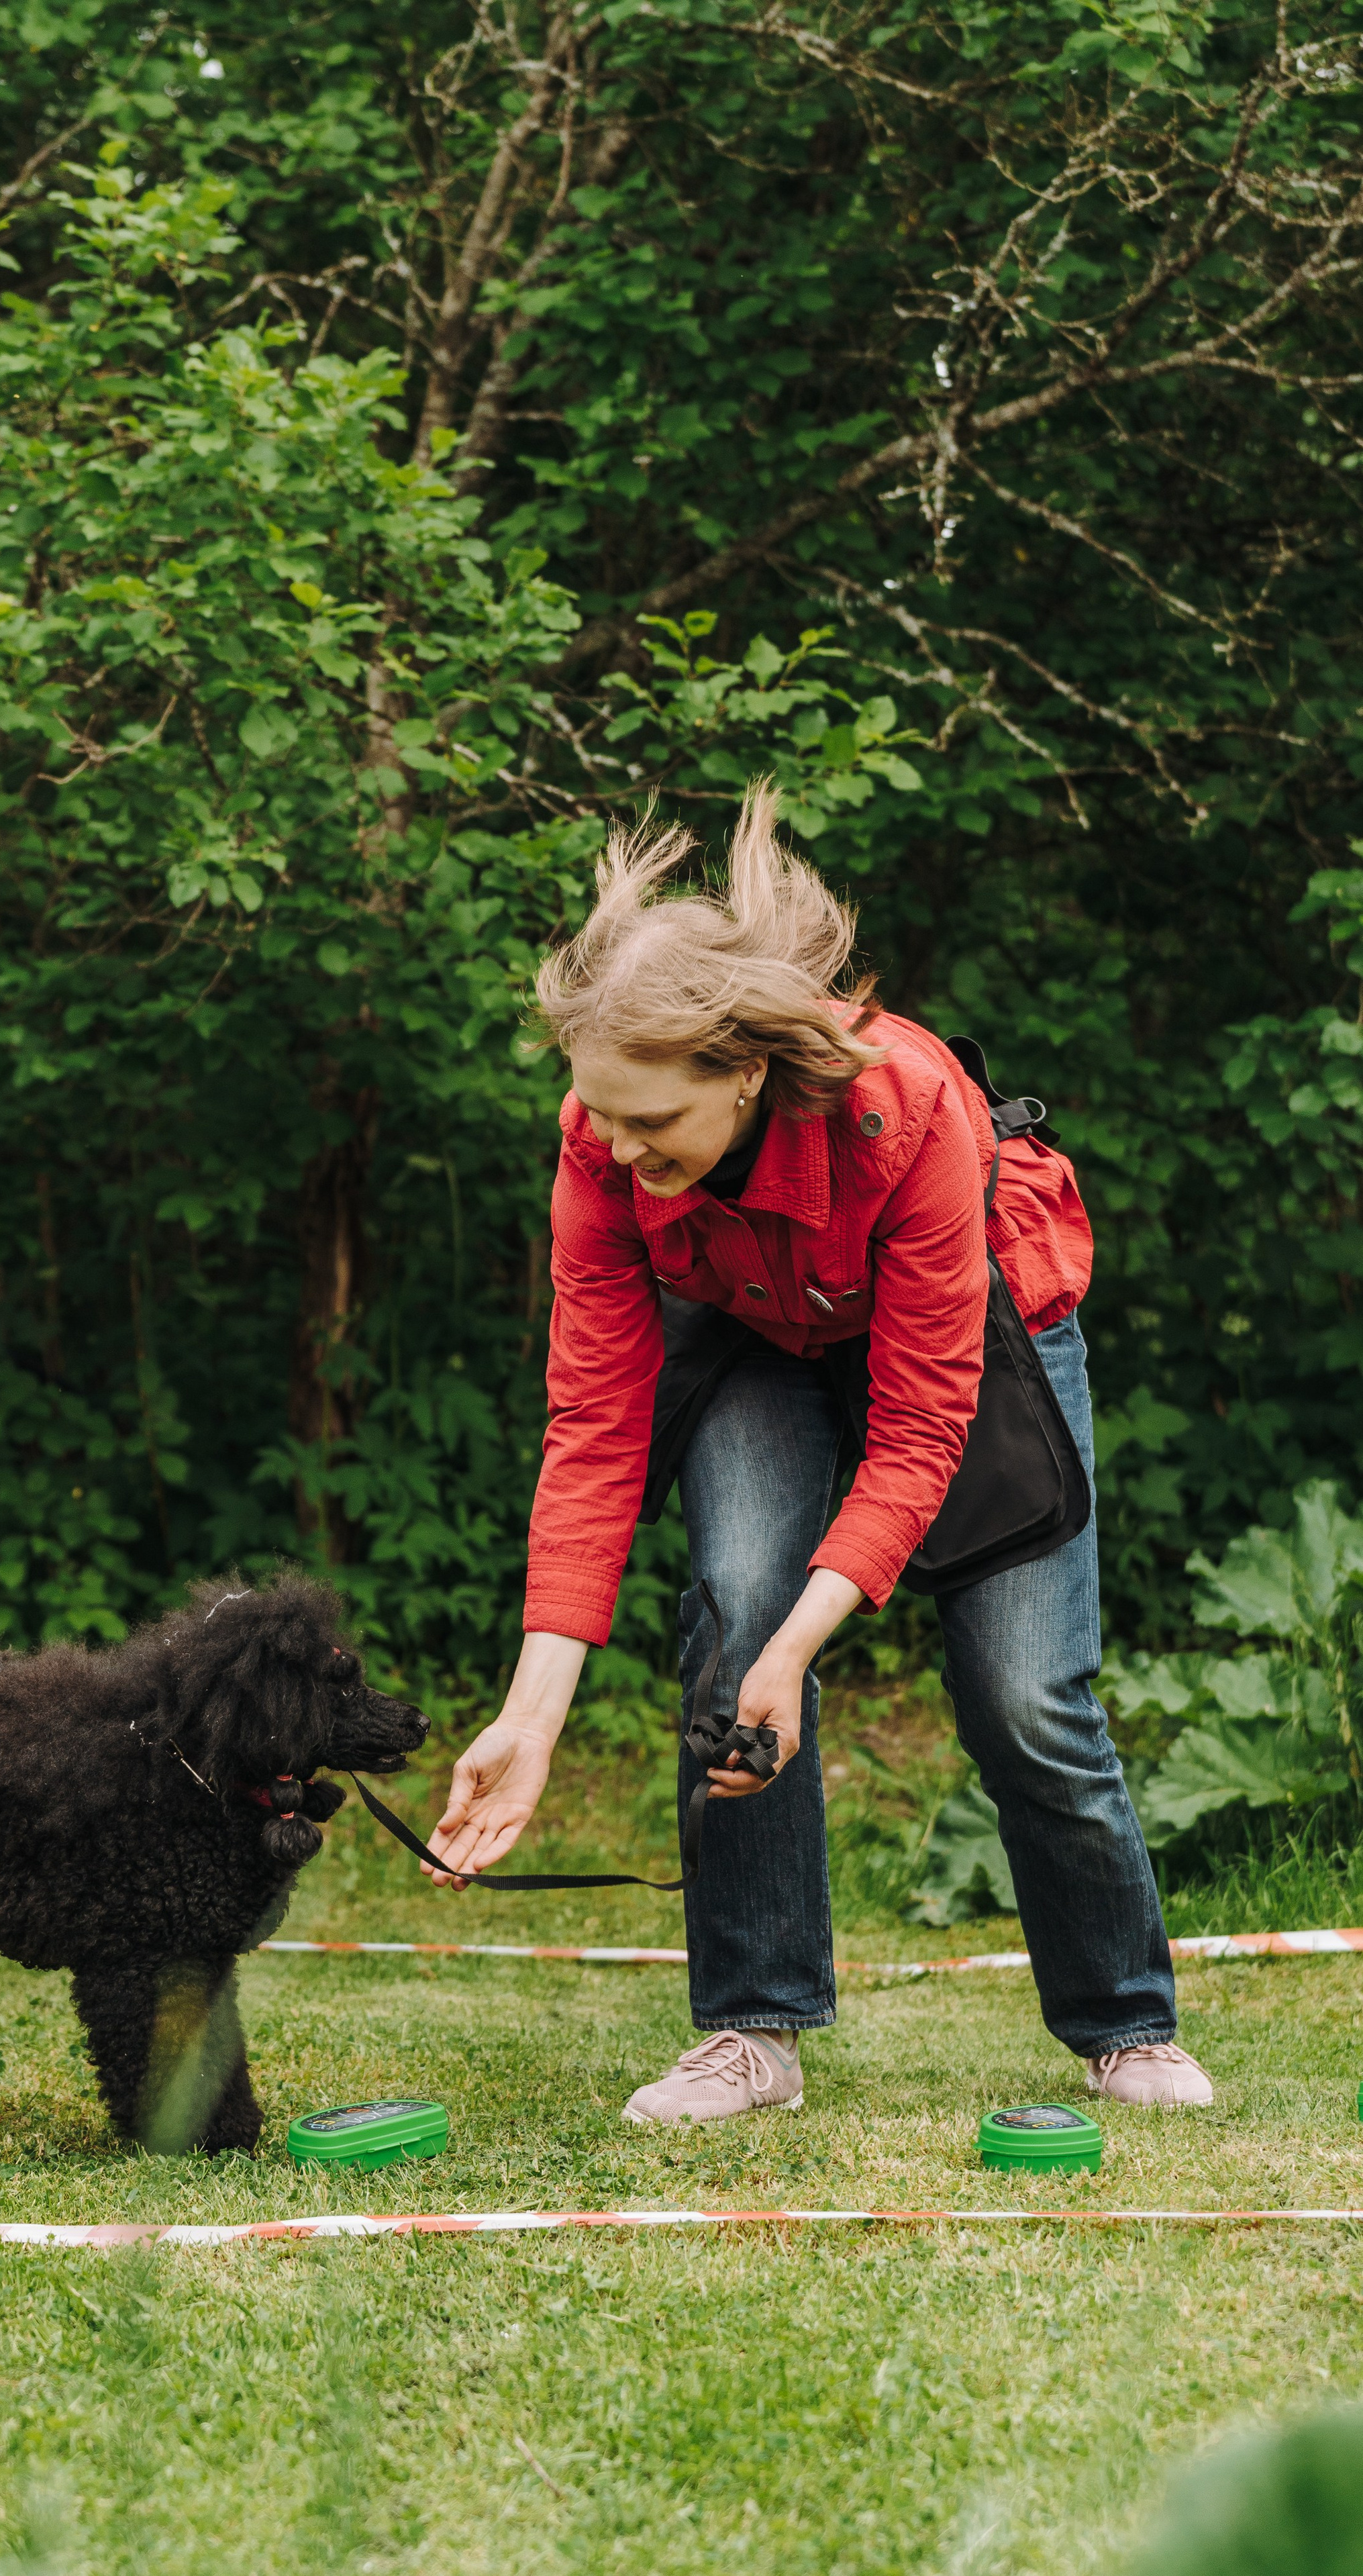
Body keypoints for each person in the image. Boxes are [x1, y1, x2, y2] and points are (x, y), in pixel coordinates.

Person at [424, 786, 1213, 2124]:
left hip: (969, 1334)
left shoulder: (906, 1109)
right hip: (757, 1328)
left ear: (742, 1071)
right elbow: (595, 1425)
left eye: (648, 1121)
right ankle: (753, 2028)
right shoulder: (603, 1144)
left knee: (1023, 1689)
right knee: (737, 1609)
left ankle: (1123, 2022)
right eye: (598, 1116)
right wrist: (531, 1714)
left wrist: (804, 1648)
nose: (615, 1145)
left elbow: (918, 1425)